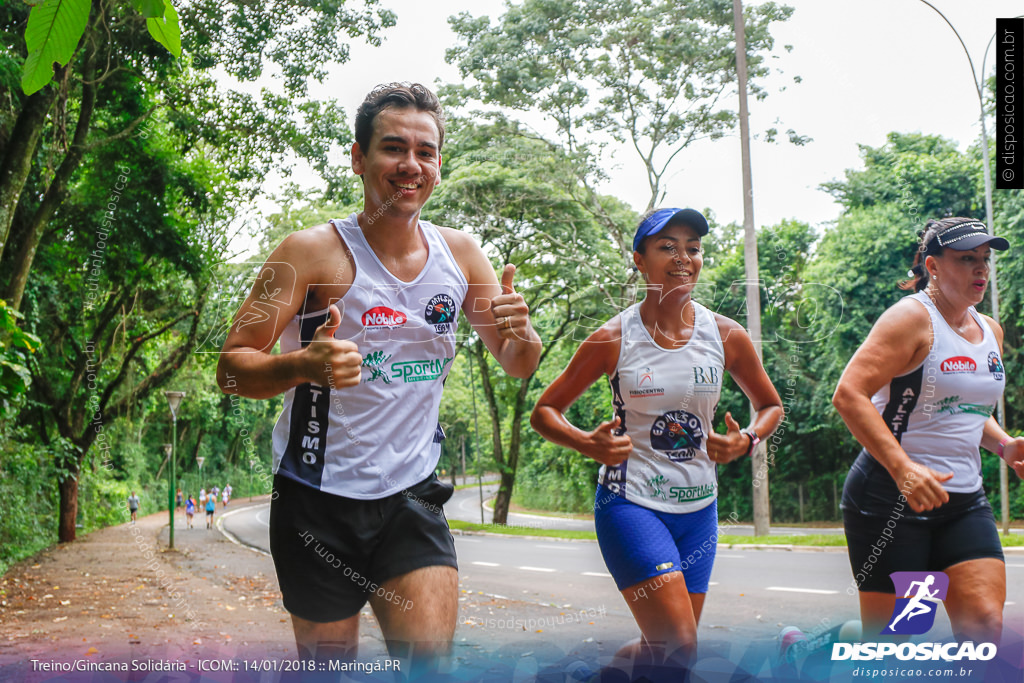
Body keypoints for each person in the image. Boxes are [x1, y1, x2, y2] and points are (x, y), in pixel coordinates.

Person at [216, 82, 541, 665]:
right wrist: (301, 365)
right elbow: (231, 368)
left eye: (427, 151)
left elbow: (518, 363)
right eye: (393, 148)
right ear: (358, 158)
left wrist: (523, 332)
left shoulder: (462, 257)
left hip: (412, 497)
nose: (411, 165)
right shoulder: (308, 252)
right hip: (316, 498)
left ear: (439, 164)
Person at [531, 208, 783, 669]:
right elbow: (544, 412)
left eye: (693, 248)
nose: (683, 257)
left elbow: (771, 407)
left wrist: (745, 440)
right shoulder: (612, 337)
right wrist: (587, 442)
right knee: (679, 647)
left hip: (699, 510)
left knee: (663, 651)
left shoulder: (726, 335)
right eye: (667, 246)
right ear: (639, 260)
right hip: (632, 504)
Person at [833, 217, 1024, 643]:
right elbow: (848, 395)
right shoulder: (910, 319)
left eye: (985, 260)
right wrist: (903, 468)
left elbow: (965, 409)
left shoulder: (989, 328)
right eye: (967, 259)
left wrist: (1005, 446)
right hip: (889, 498)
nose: (981, 270)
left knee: (983, 629)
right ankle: (817, 646)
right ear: (933, 267)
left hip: (963, 499)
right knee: (893, 642)